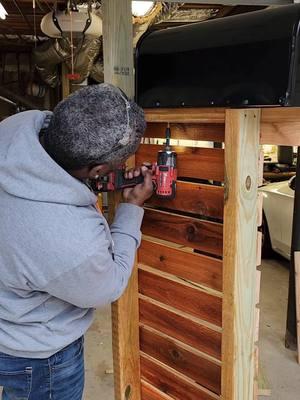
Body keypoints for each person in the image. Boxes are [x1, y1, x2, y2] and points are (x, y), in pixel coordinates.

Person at [0, 83, 153, 400]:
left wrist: (93, 184)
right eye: (113, 167)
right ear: (95, 168)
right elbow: (108, 285)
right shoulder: (68, 239)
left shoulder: (16, 130)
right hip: (35, 358)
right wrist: (131, 209)